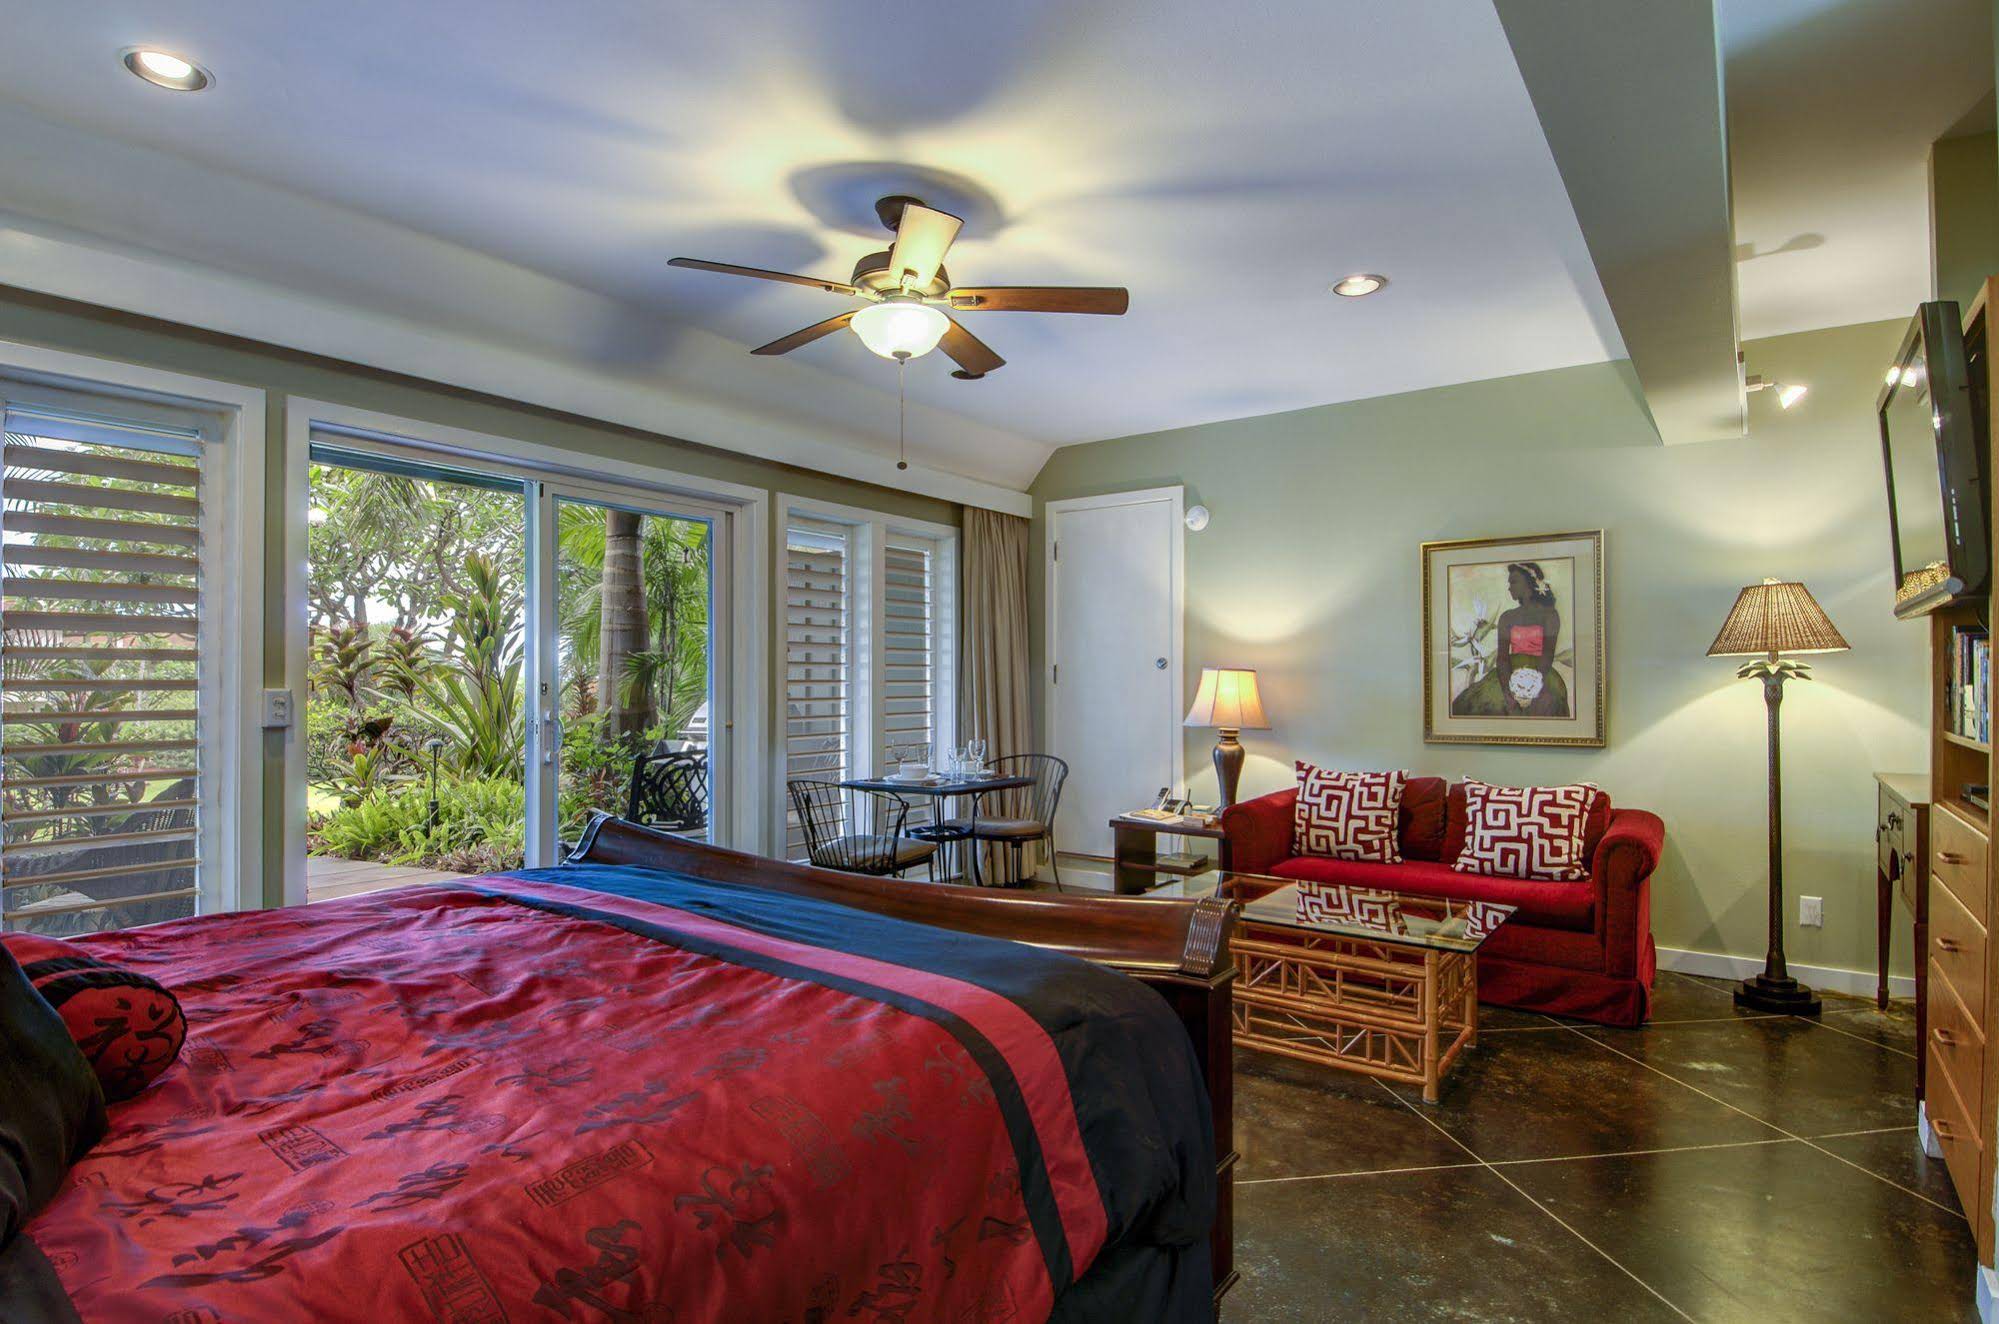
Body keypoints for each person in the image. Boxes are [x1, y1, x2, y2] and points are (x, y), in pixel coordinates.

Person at [1451, 562, 1570, 718]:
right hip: (1507, 674)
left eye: (1513, 582)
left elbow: (1548, 654)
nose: (1509, 587)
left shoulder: (1550, 615)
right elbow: (1502, 658)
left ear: (1529, 583)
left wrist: (1532, 685)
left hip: (1542, 673)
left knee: (1548, 702)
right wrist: (1508, 692)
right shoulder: (1507, 617)